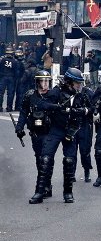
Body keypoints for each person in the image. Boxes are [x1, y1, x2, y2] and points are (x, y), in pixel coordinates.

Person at [29, 67, 90, 204]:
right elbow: (42, 104)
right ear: (69, 82)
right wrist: (57, 107)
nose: (79, 86)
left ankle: (68, 192)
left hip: (71, 130)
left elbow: (92, 108)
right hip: (56, 129)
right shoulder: (57, 91)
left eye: (80, 83)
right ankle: (39, 192)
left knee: (69, 161)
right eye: (76, 83)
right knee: (45, 159)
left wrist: (83, 111)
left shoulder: (81, 94)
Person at [16, 70, 54, 200]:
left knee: (46, 159)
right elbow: (23, 112)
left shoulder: (53, 95)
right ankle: (47, 185)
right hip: (36, 133)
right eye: (42, 81)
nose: (45, 84)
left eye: (47, 81)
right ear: (37, 82)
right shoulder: (30, 96)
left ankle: (42, 188)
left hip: (49, 133)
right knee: (40, 159)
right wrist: (19, 127)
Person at [0, 46, 18, 111]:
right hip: (11, 78)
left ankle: (0, 107)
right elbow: (16, 71)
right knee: (10, 93)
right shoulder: (14, 61)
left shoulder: (3, 60)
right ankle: (9, 107)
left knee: (1, 93)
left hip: (3, 77)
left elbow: (0, 68)